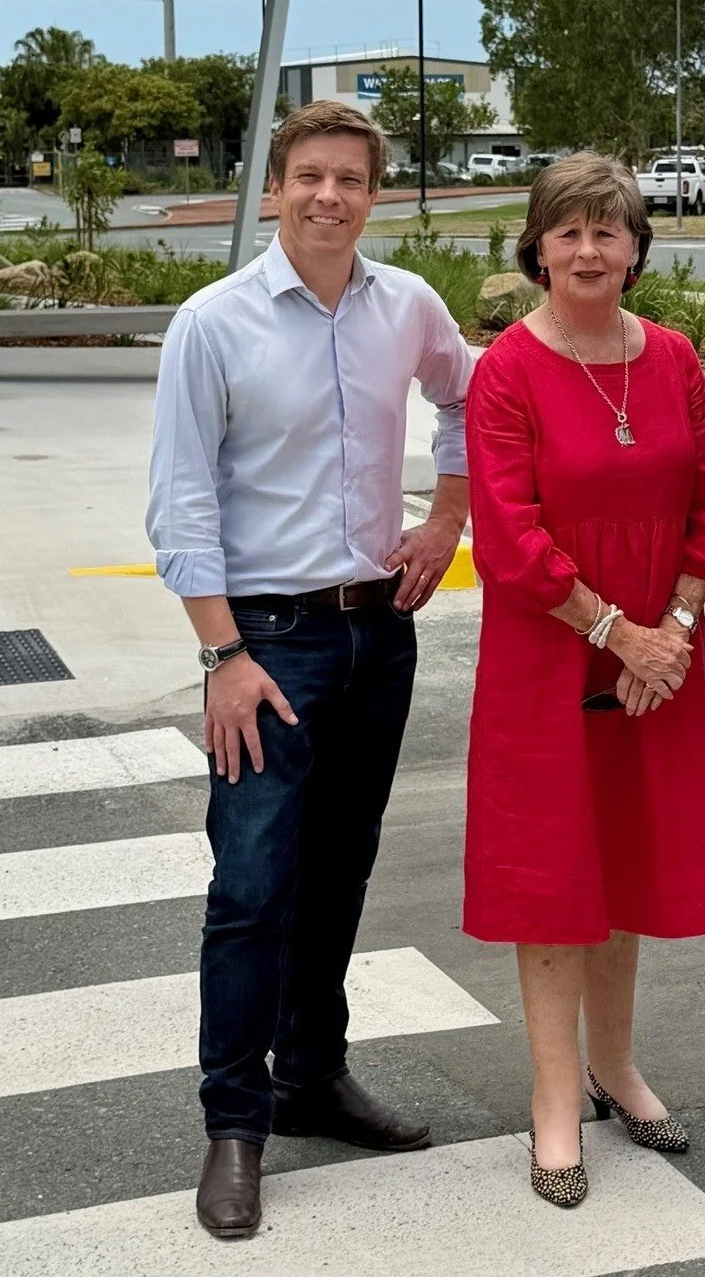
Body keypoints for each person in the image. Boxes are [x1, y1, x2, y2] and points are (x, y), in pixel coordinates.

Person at [146, 102, 474, 1239]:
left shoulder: (407, 307)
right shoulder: (214, 323)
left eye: (350, 179)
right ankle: (235, 1124)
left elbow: (468, 398)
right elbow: (180, 501)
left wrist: (448, 518)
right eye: (308, 176)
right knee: (250, 889)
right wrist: (223, 654)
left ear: (373, 194)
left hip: (378, 633)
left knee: (339, 872)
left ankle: (312, 1078)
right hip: (267, 645)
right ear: (277, 186)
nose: (328, 196)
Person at [463, 153, 705, 1207]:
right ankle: (553, 1095)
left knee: (626, 858)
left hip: (657, 662)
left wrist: (668, 631)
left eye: (608, 230)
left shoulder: (670, 358)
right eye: (568, 231)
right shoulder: (506, 371)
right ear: (537, 249)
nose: (588, 250)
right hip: (549, 657)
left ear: (636, 247)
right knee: (553, 875)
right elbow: (508, 534)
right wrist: (615, 632)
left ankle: (615, 1064)